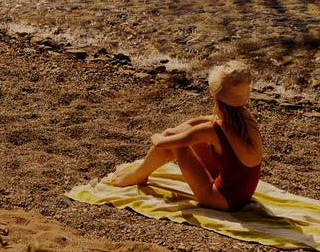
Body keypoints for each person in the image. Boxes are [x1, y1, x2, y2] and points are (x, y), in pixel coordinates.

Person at [110, 60, 263, 211]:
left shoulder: (211, 130)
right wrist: (187, 126)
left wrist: (156, 136)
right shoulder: (246, 118)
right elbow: (210, 120)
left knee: (171, 136)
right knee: (183, 133)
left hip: (218, 199)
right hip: (243, 195)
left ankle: (139, 175)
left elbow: (160, 143)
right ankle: (141, 172)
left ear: (216, 95)